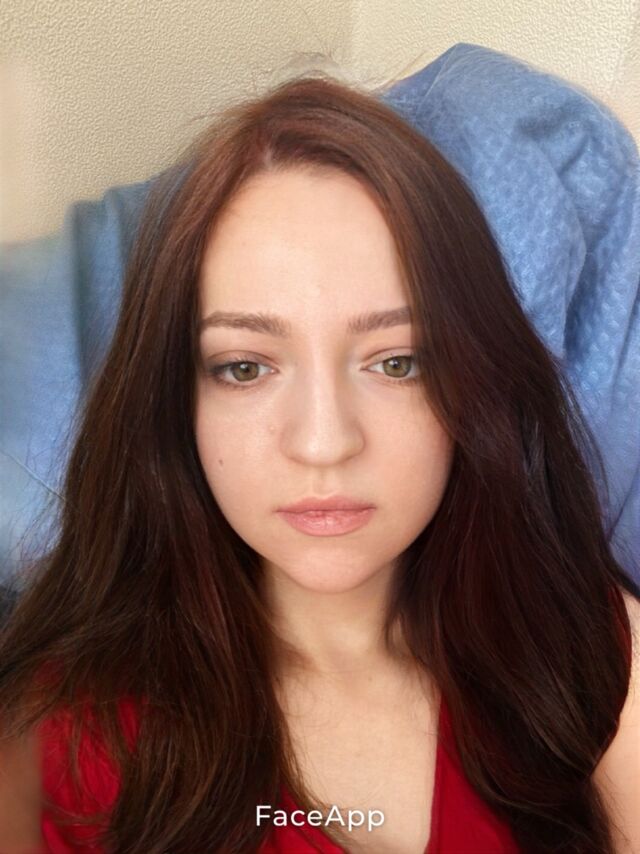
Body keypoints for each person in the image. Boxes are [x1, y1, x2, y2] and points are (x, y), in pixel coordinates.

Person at [0, 70, 638, 854]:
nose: (324, 444)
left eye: (398, 362)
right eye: (244, 367)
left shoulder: (584, 648)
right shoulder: (63, 743)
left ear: (474, 381)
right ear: (173, 401)